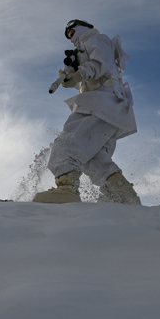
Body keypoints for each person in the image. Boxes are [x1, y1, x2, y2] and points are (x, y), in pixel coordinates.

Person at [33, 19, 141, 205]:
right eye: (68, 36)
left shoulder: (96, 40)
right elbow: (97, 78)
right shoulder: (87, 48)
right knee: (92, 157)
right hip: (109, 107)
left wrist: (79, 74)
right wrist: (73, 81)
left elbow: (100, 65)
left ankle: (67, 190)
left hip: (100, 105)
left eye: (72, 32)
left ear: (83, 28)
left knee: (67, 142)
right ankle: (121, 195)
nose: (70, 37)